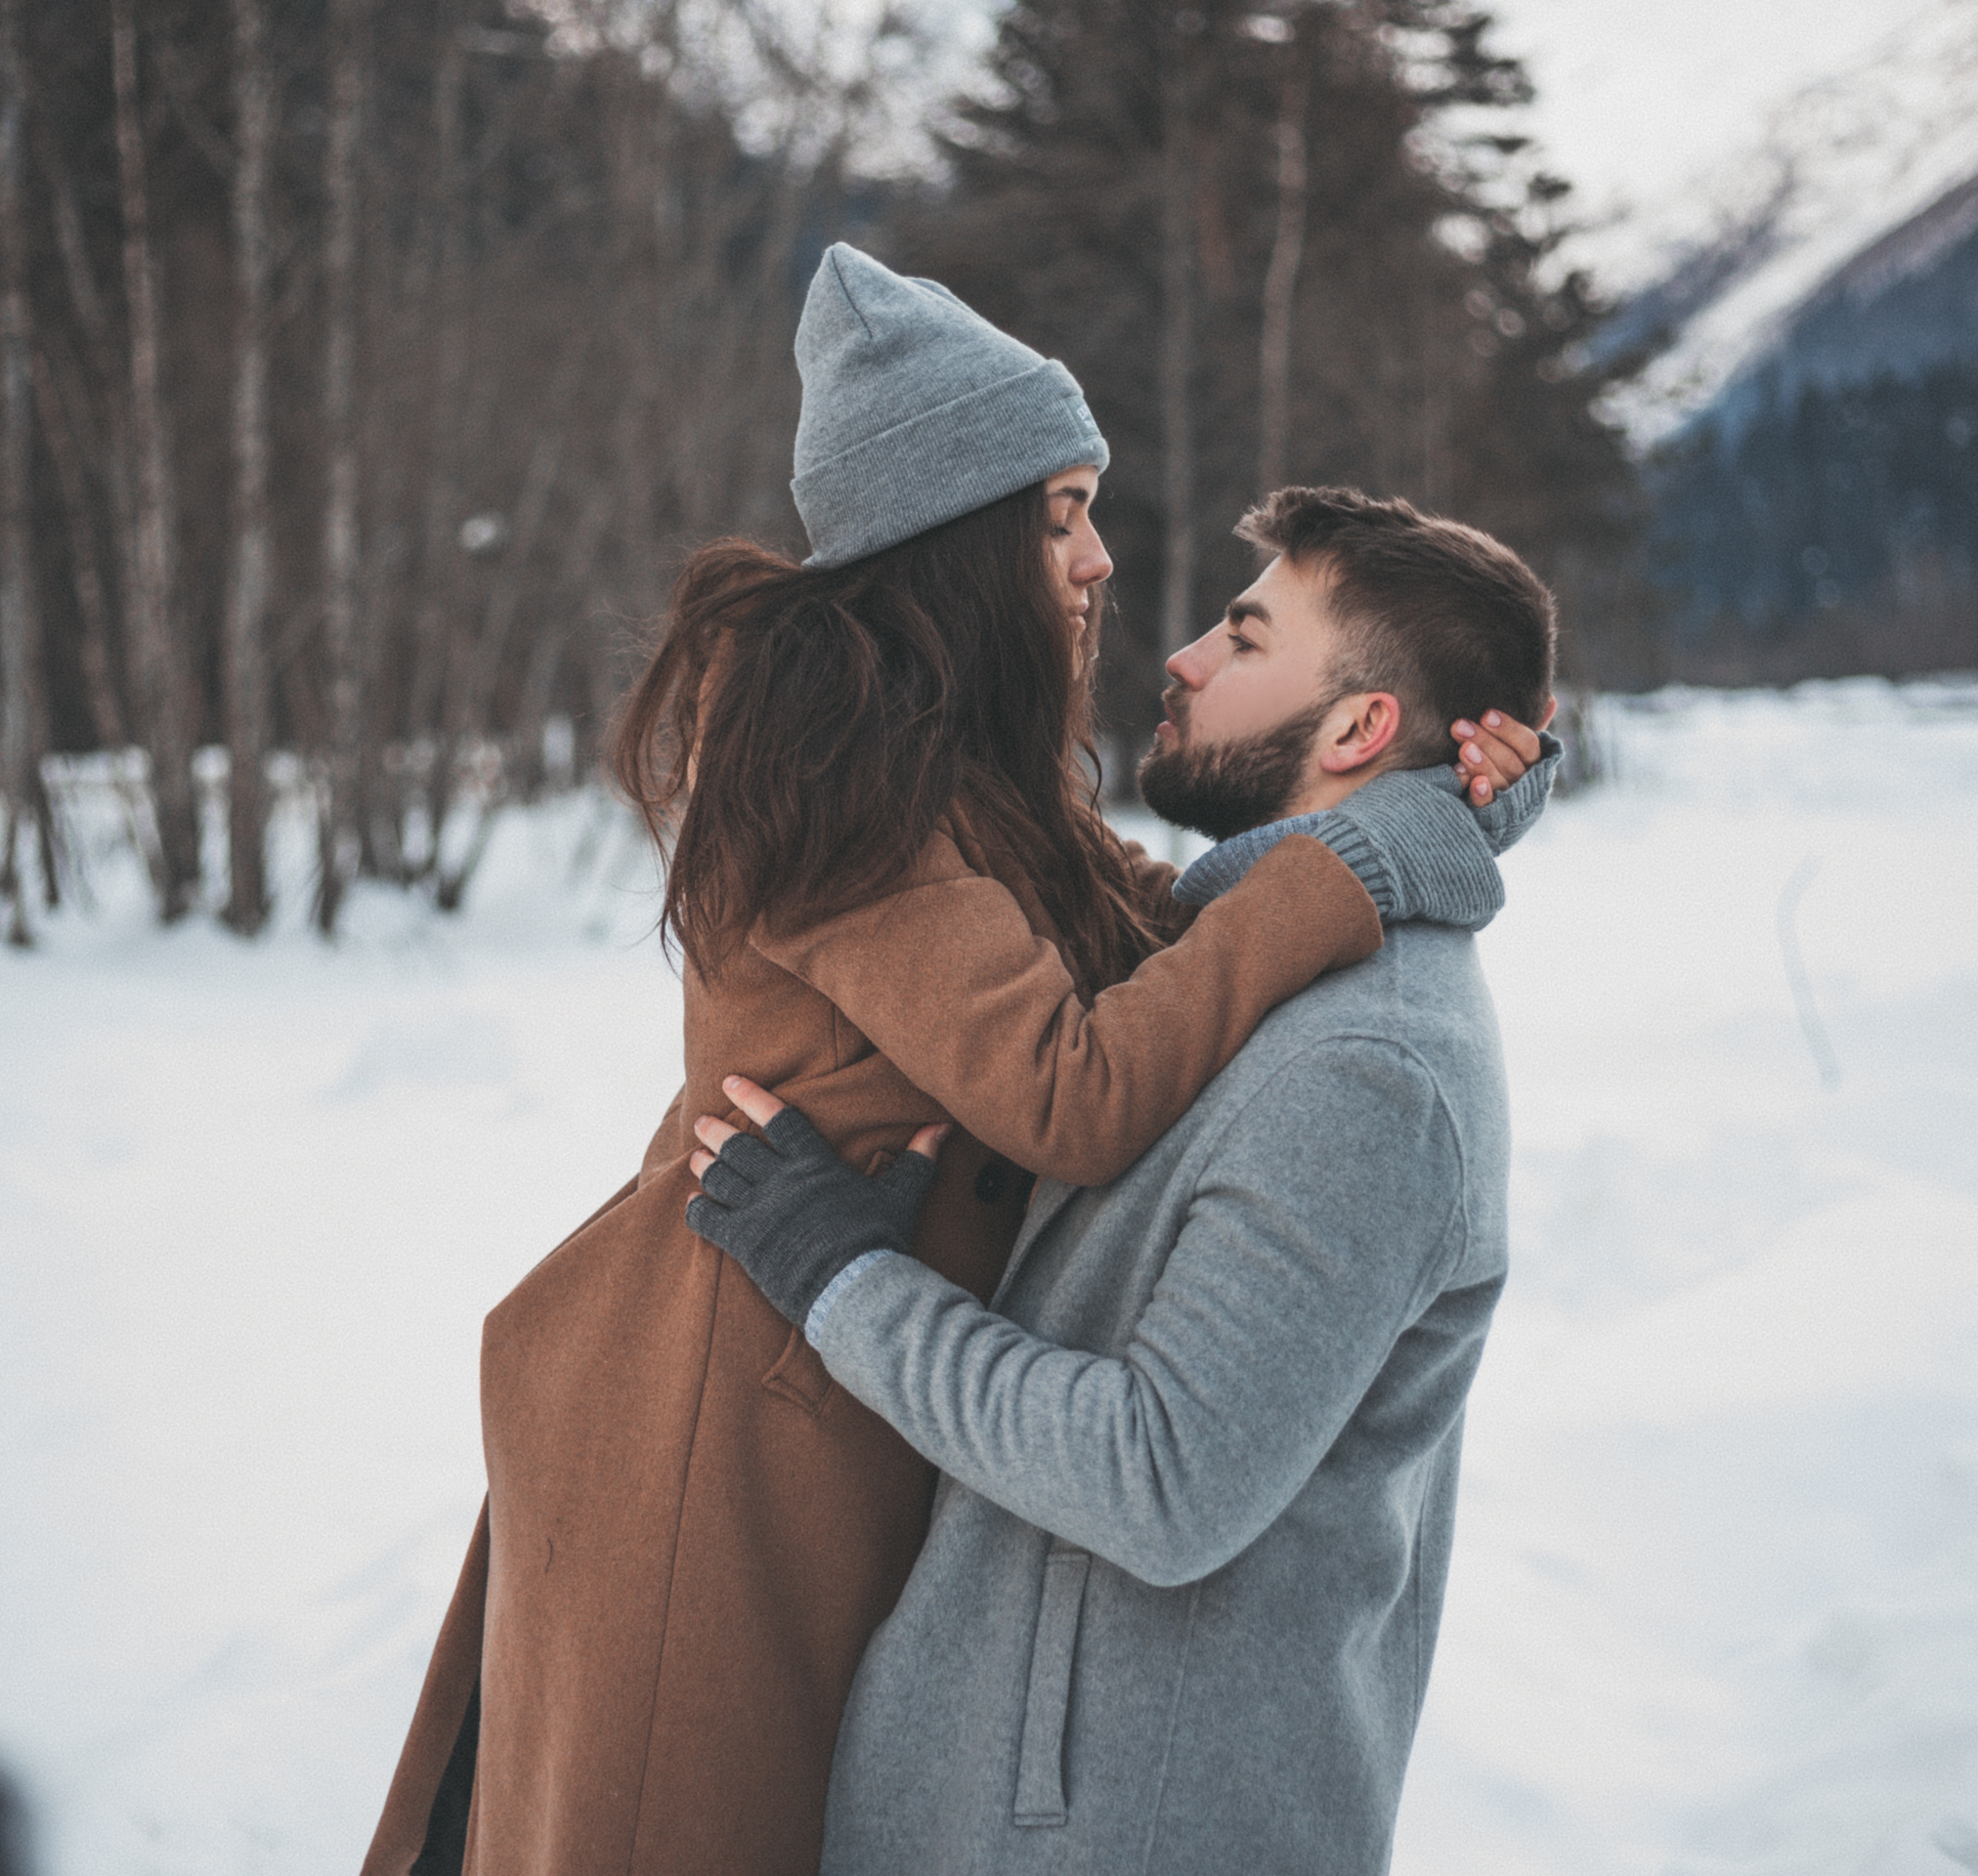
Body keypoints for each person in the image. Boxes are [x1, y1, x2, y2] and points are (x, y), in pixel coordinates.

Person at [363, 248, 1549, 1876]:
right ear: (959, 532)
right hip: (721, 1429)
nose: (1100, 559)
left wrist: (1427, 809)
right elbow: (1075, 1090)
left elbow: (1159, 936)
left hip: (836, 1389)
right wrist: (1364, 860)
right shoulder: (831, 766)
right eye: (1061, 515)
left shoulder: (966, 764)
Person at [685, 484, 1560, 1876]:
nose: (1185, 660)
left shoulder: (1370, 1067)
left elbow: (1158, 1480)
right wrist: (1430, 825)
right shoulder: (1245, 973)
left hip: (1128, 1829)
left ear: (1357, 730)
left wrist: (843, 1278)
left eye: (1245, 637)